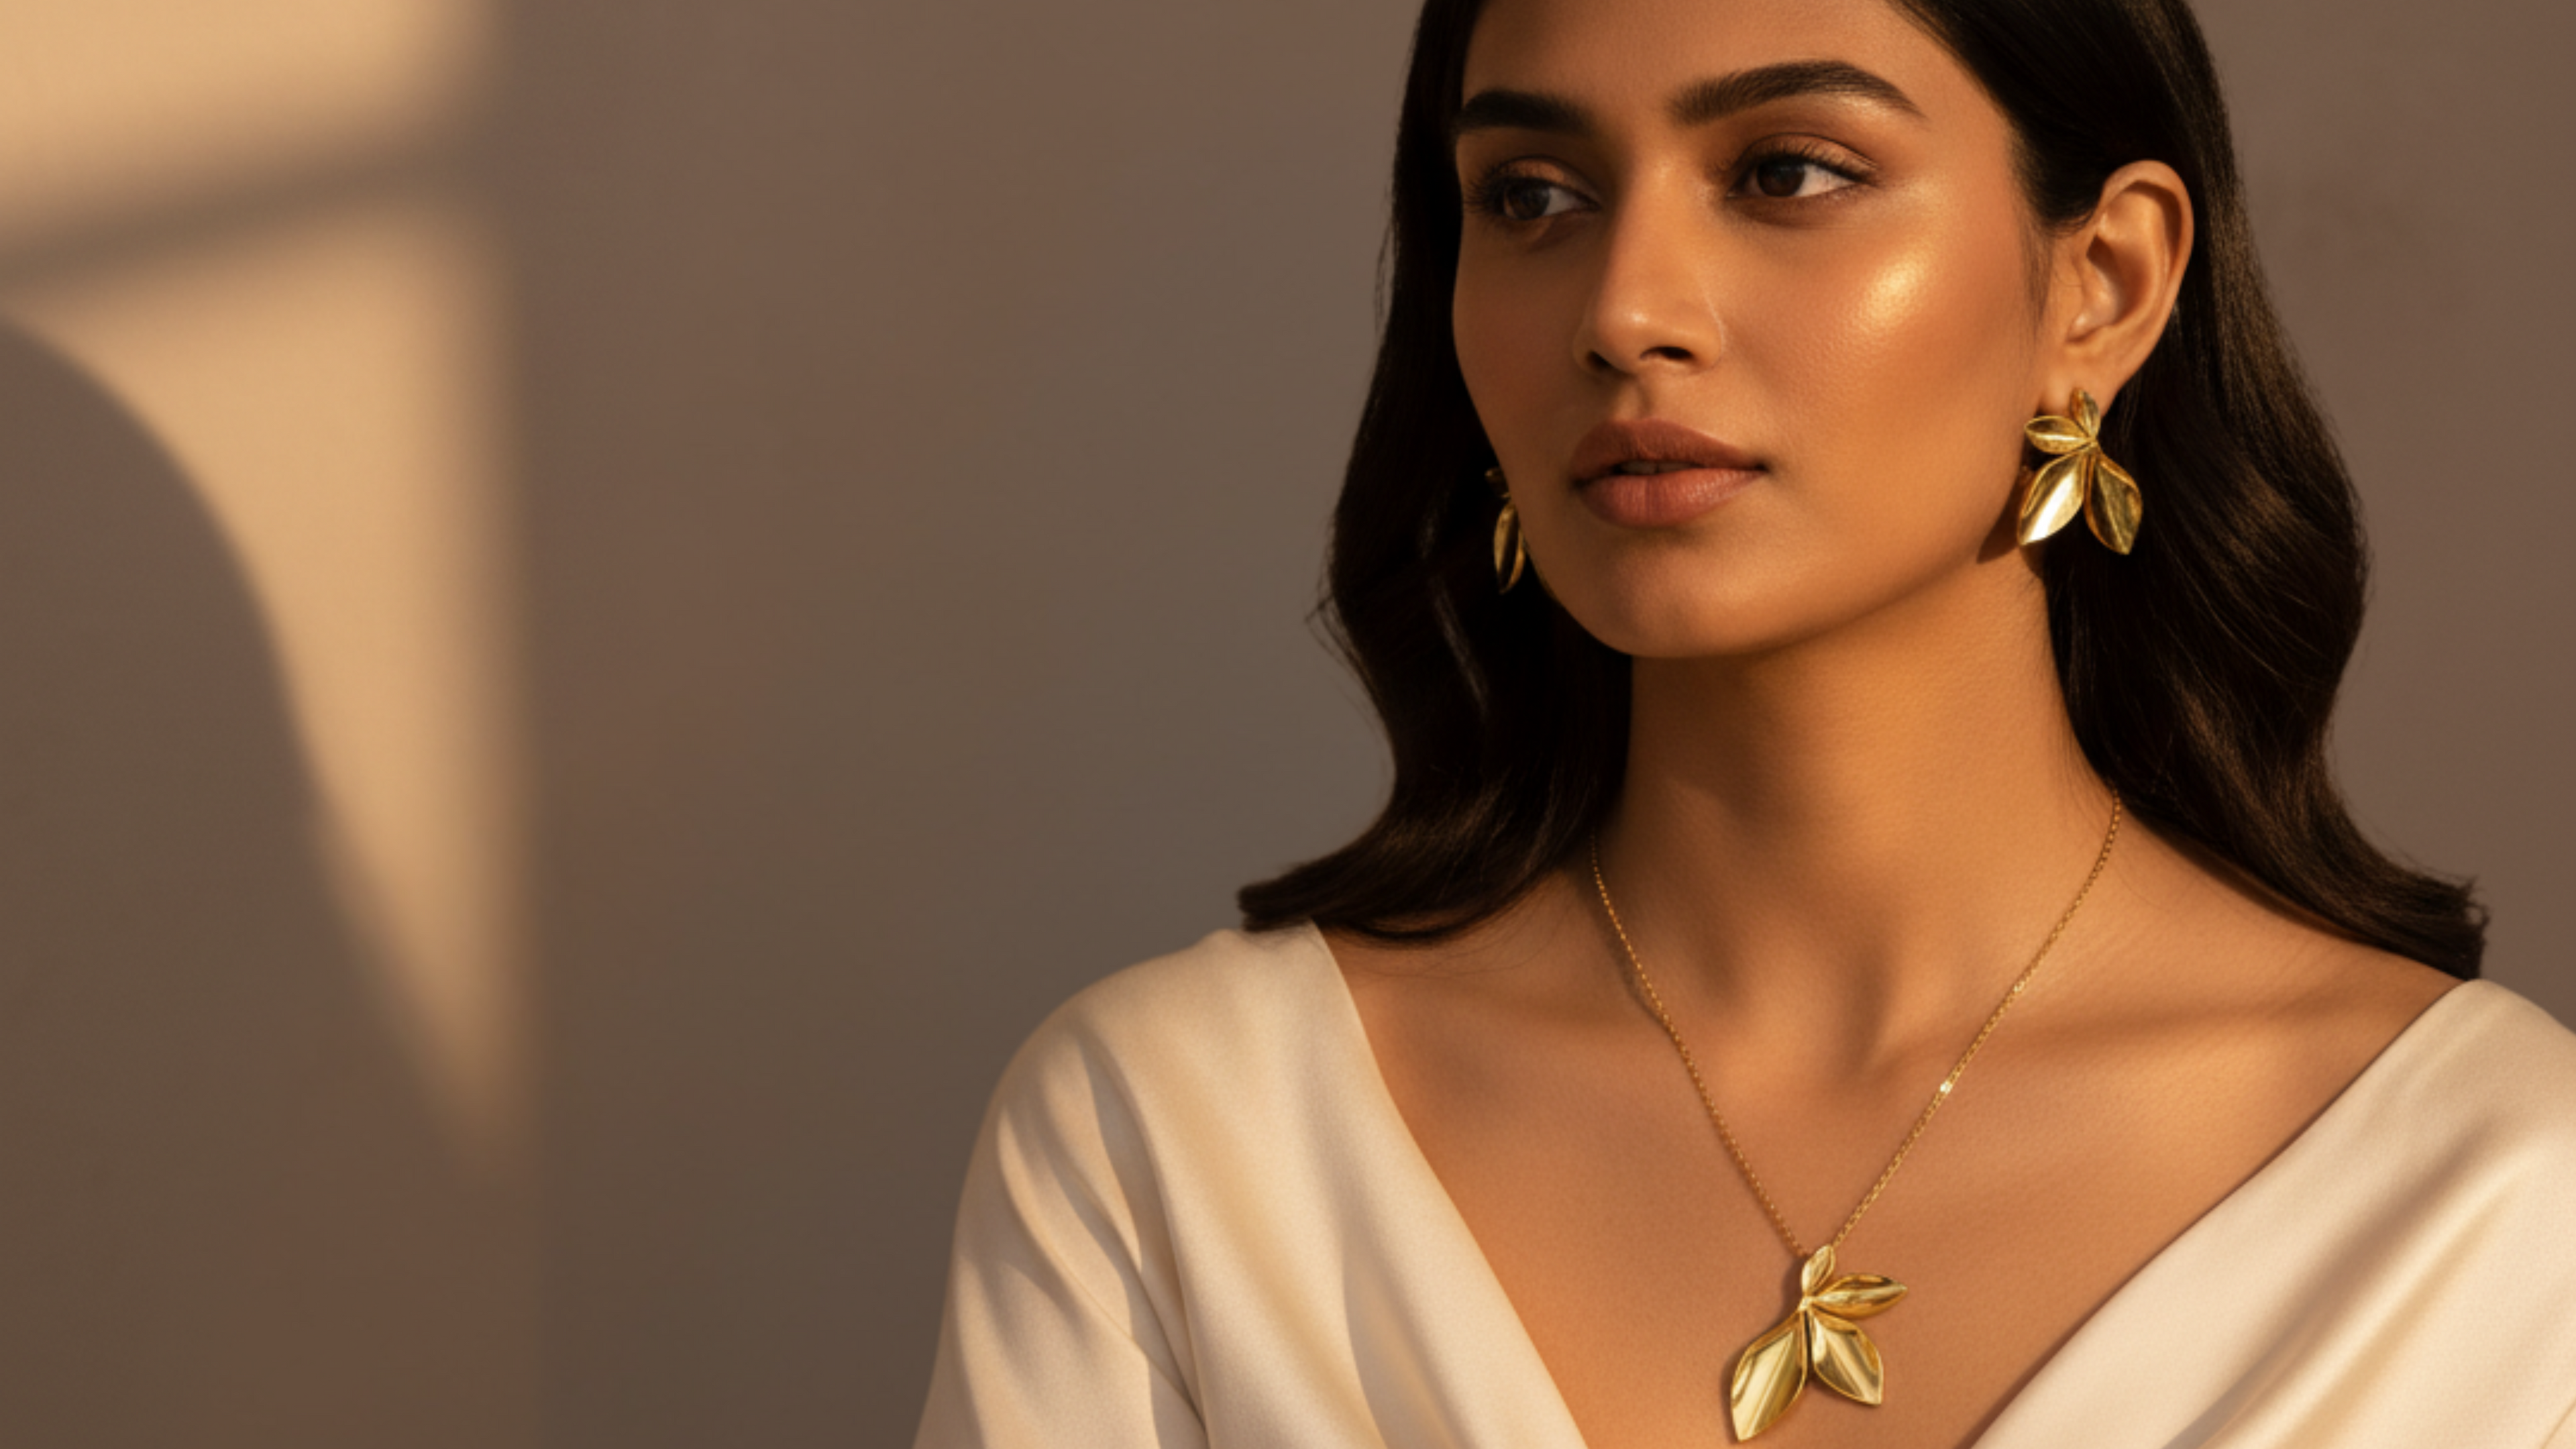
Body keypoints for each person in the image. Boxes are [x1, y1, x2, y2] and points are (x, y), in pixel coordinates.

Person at [912, 0, 2576, 1444]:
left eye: (1788, 173)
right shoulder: (1182, 1146)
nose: (1623, 309)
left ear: (2103, 283)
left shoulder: (2503, 1207)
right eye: (1532, 197)